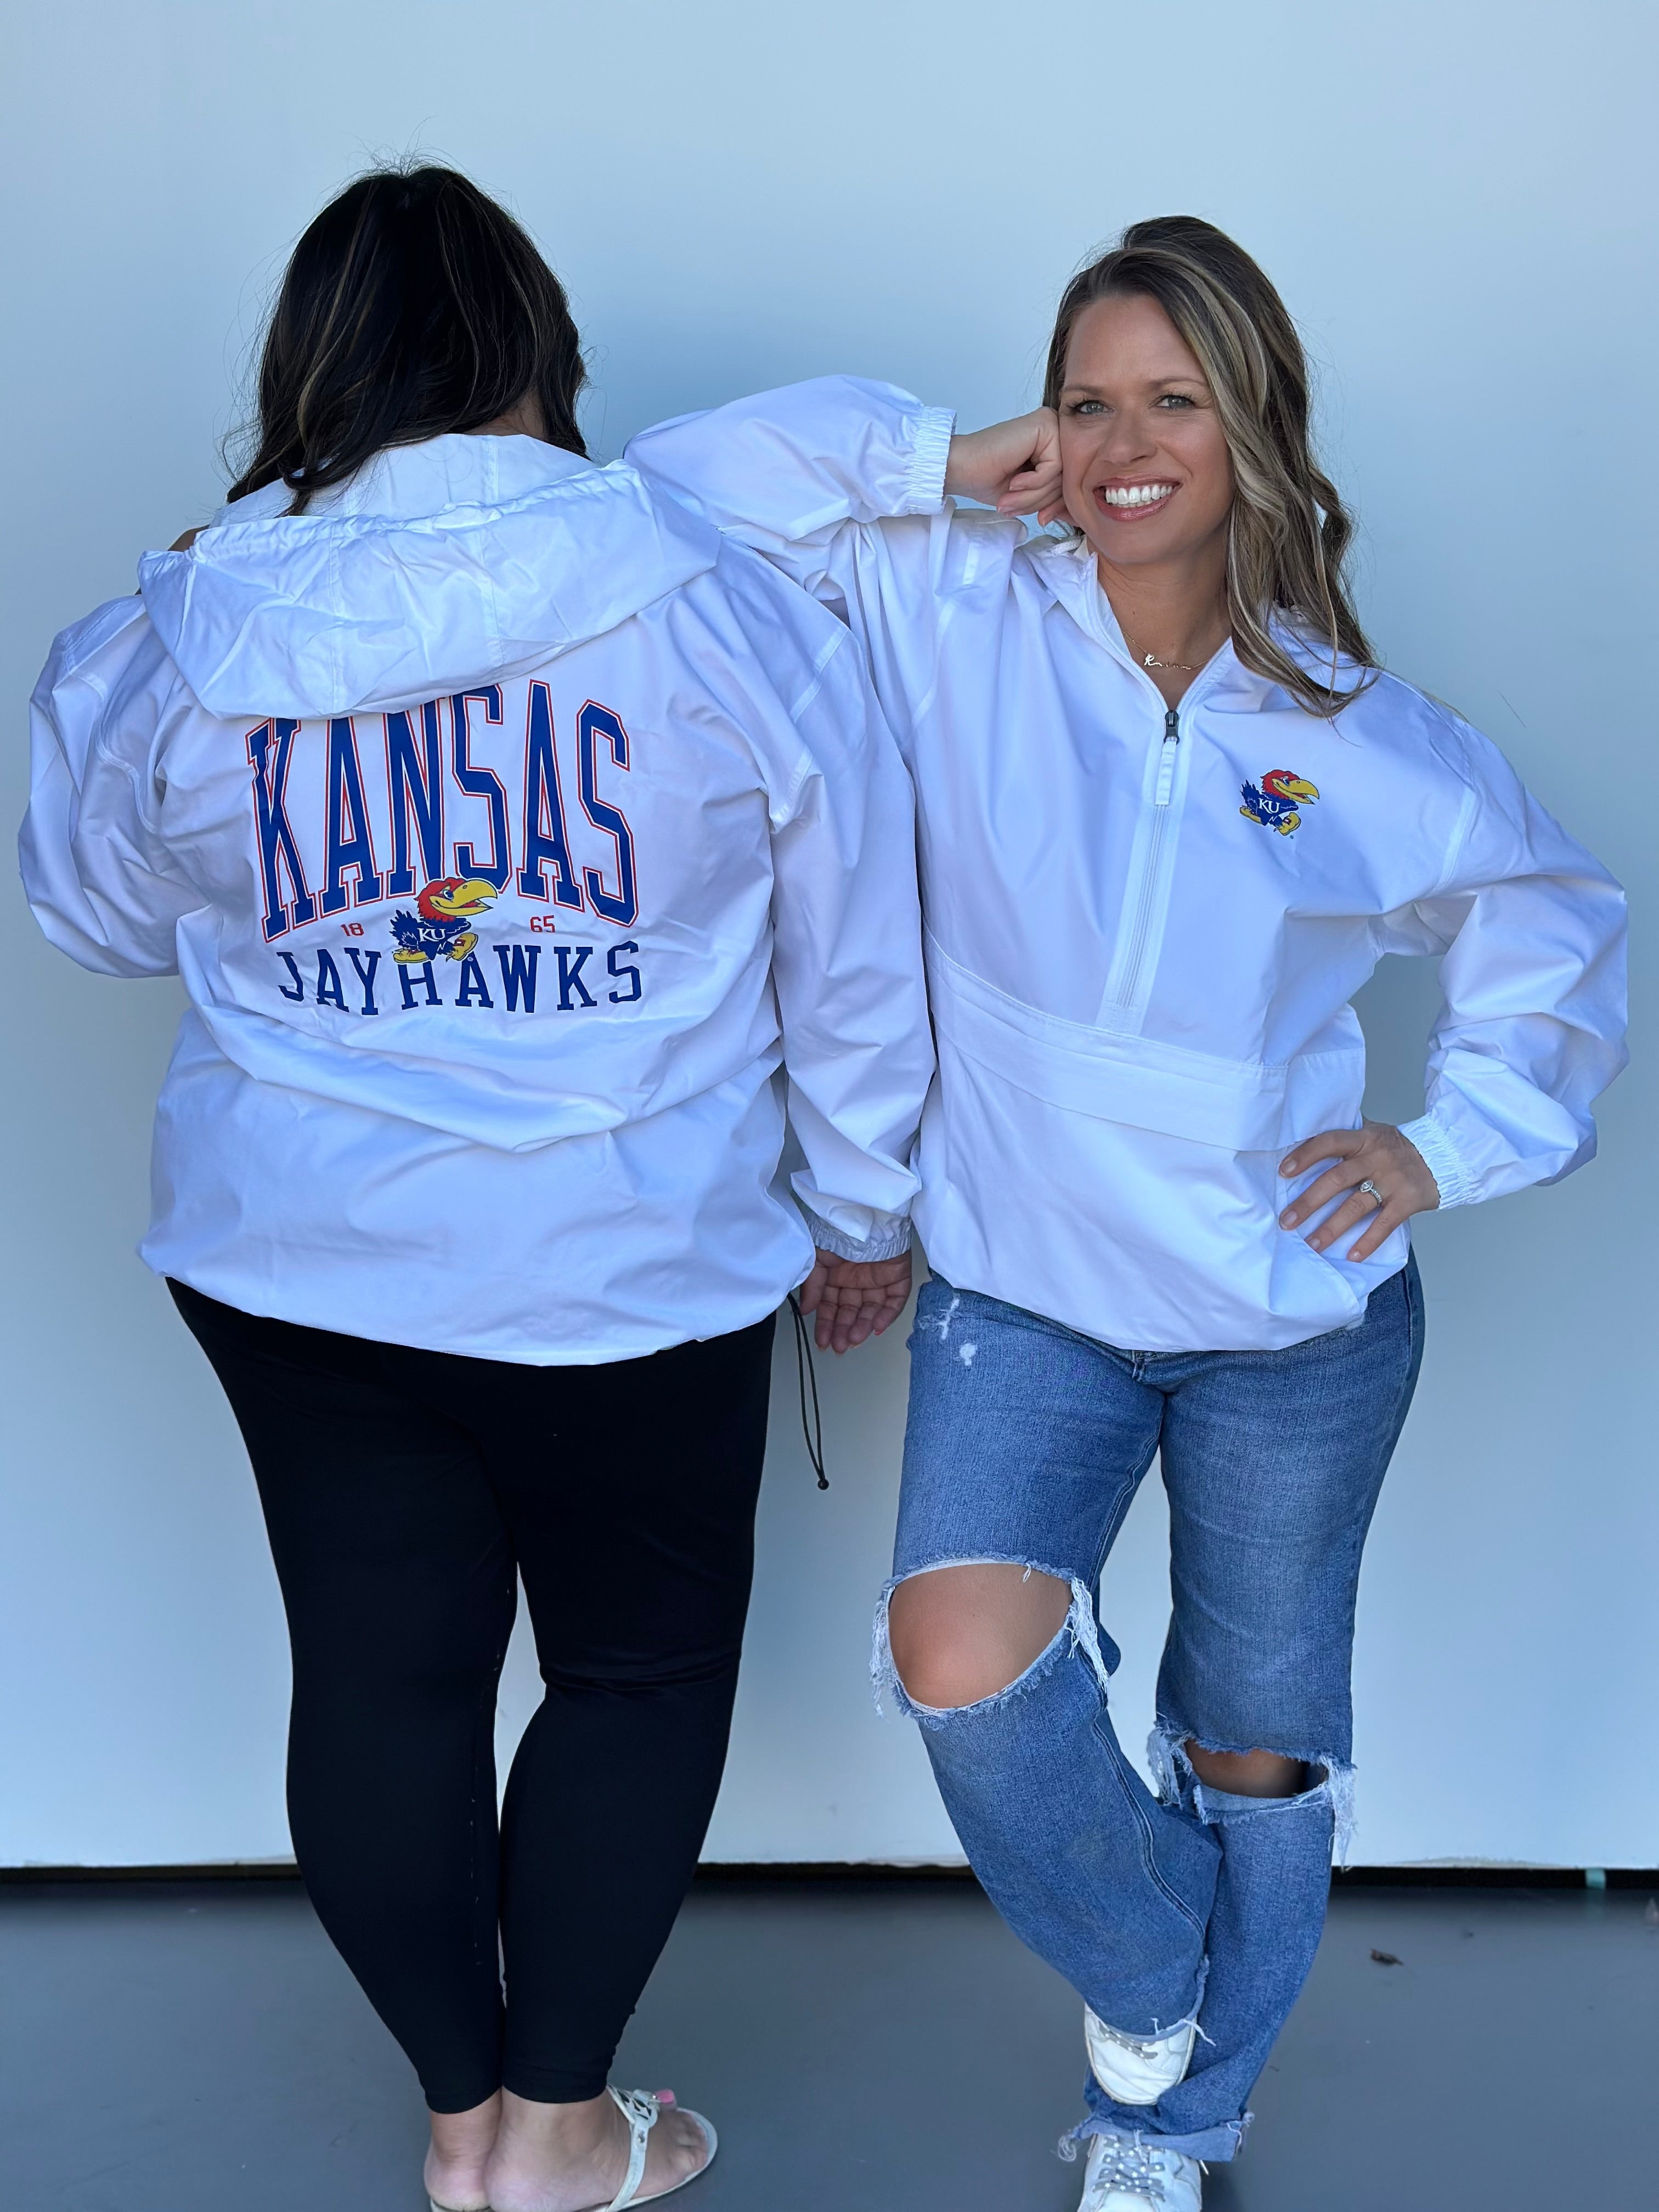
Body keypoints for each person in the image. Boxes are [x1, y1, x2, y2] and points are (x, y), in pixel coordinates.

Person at [626, 217, 1628, 2209]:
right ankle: (1165, 1969)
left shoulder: (1359, 735)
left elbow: (1555, 926)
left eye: (1173, 401)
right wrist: (936, 459)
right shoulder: (951, 606)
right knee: (960, 1661)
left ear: (1256, 428)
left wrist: (1450, 1143)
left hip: (1297, 1325)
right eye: (1087, 404)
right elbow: (671, 496)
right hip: (1026, 1288)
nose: (1123, 445)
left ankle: (1171, 2127)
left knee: (1257, 1740)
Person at [21, 164, 932, 2212]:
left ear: (311, 361)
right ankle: (560, 2135)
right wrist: (865, 1211)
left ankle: (460, 2128)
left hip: (304, 1258)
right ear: (542, 347)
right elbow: (857, 943)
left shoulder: (188, 617)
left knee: (379, 1681)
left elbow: (90, 912)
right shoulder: (713, 594)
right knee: (634, 1675)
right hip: (636, 1256)